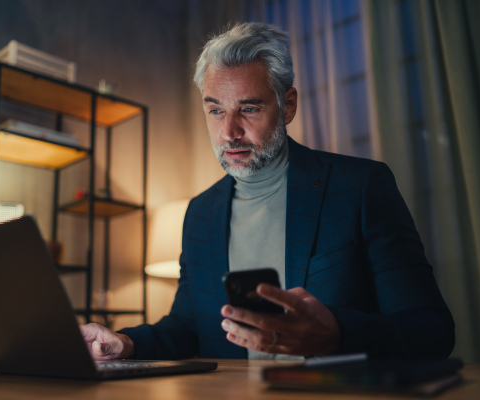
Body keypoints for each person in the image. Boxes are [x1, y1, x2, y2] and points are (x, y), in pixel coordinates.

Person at [80, 22, 455, 360]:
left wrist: (337, 334)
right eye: (215, 111)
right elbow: (188, 327)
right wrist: (125, 343)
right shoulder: (199, 212)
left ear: (287, 105)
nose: (229, 132)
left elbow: (431, 330)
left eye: (249, 108)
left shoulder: (359, 187)